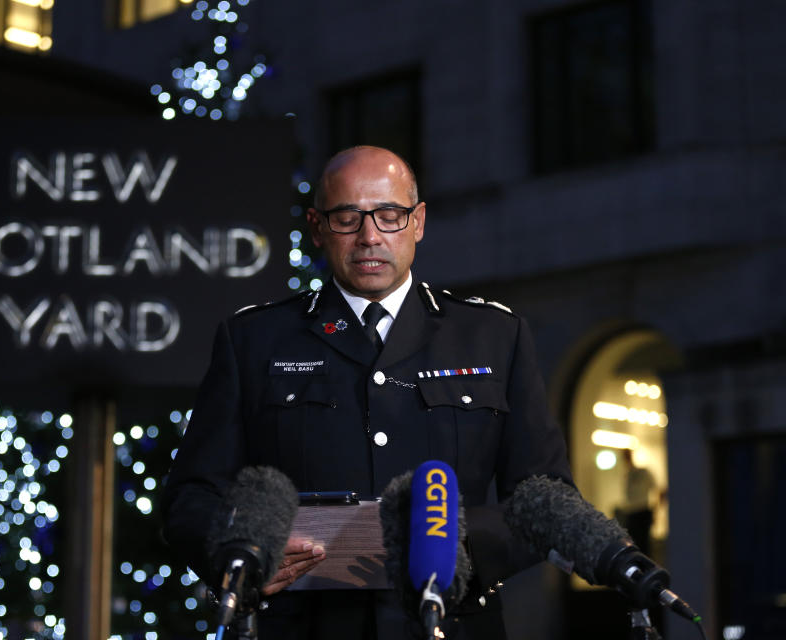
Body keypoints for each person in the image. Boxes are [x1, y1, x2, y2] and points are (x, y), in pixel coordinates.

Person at [161, 146, 573, 639]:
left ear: (418, 222)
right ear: (317, 228)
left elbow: (547, 499)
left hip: (451, 623)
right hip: (300, 626)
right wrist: (245, 547)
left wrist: (450, 543)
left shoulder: (494, 336)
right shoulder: (253, 340)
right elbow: (190, 497)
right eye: (347, 218)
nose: (370, 236)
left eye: (390, 215)